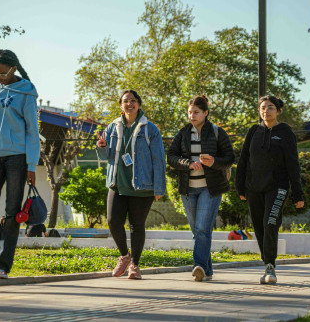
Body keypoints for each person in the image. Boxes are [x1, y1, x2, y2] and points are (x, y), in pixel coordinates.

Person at [0, 49, 40, 280]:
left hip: (17, 158)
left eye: (3, 73)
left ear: (13, 68)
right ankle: (5, 249)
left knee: (12, 213)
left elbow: (32, 132)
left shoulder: (27, 93)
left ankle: (2, 265)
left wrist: (31, 165)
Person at [96, 90, 166, 280]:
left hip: (142, 186)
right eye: (126, 101)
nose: (129, 104)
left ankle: (135, 265)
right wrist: (101, 147)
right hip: (117, 184)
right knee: (113, 221)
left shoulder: (149, 129)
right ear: (121, 105)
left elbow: (159, 159)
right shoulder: (112, 127)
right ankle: (124, 256)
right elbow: (107, 157)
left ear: (139, 104)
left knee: (137, 226)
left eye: (133, 101)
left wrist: (159, 187)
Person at [236, 95, 304, 284]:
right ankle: (266, 262)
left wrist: (298, 193)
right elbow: (243, 160)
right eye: (263, 108)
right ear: (259, 111)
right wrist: (240, 186)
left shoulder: (285, 132)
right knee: (259, 227)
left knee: (270, 223)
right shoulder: (253, 132)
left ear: (278, 110)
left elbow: (293, 163)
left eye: (271, 107)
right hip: (253, 188)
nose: (266, 111)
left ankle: (270, 267)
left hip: (278, 187)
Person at [167, 95, 234, 282]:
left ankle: (198, 266)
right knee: (198, 231)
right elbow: (171, 157)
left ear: (205, 112)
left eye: (196, 112)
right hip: (188, 189)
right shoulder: (182, 133)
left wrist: (213, 161)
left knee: (202, 229)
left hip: (210, 189)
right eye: (189, 112)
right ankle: (207, 270)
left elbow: (229, 158)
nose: (192, 116)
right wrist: (187, 163)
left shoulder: (217, 132)